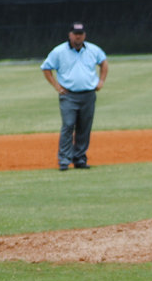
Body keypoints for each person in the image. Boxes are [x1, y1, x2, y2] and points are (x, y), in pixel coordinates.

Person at [40, 22, 109, 171]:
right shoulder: (59, 51)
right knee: (68, 125)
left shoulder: (93, 49)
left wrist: (101, 80)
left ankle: (79, 159)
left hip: (88, 94)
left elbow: (104, 63)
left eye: (81, 34)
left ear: (84, 35)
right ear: (70, 35)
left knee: (84, 127)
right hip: (69, 95)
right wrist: (56, 86)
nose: (78, 37)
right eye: (76, 34)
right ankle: (64, 160)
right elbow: (46, 67)